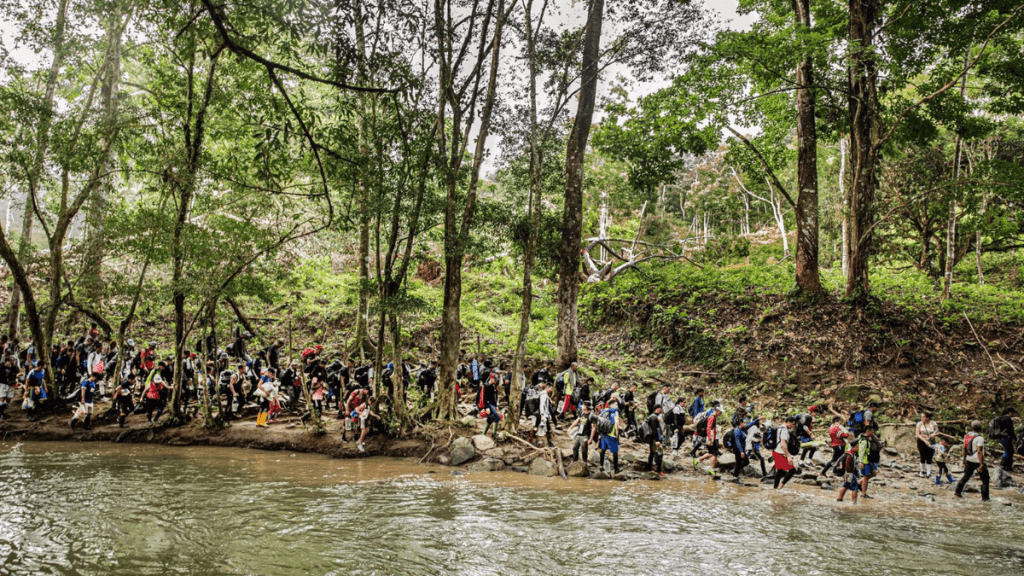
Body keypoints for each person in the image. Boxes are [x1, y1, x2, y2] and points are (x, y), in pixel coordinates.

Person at [955, 420, 990, 501]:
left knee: (966, 476)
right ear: (980, 428)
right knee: (985, 480)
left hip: (969, 459)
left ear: (971, 427)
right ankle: (985, 499)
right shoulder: (980, 438)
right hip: (977, 461)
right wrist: (981, 464)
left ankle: (957, 492)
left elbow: (964, 447)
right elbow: (979, 451)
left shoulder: (967, 436)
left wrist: (963, 459)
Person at [594, 398, 621, 474]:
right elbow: (616, 423)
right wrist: (617, 433)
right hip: (612, 435)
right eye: (616, 404)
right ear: (611, 405)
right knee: (615, 452)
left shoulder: (604, 411)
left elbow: (597, 414)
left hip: (604, 434)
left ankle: (601, 467)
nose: (617, 405)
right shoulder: (615, 412)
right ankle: (616, 469)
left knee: (603, 450)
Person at [695, 403, 722, 475]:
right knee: (714, 454)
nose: (721, 413)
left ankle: (697, 460)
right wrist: (710, 438)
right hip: (710, 438)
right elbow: (708, 428)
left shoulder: (714, 417)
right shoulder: (712, 417)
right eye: (720, 412)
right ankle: (712, 469)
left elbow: (713, 428)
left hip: (713, 437)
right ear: (717, 411)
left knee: (712, 453)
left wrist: (715, 437)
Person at [773, 416, 798, 489]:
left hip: (776, 452)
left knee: (780, 471)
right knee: (792, 470)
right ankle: (781, 485)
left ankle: (774, 489)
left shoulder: (779, 427)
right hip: (781, 453)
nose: (792, 426)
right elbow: (783, 443)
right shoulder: (784, 430)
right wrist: (788, 456)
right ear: (789, 422)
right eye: (792, 424)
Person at [858, 426, 882, 499]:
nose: (873, 433)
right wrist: (861, 462)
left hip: (870, 460)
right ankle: (864, 494)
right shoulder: (864, 440)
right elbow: (862, 451)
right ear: (868, 431)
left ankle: (859, 483)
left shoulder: (871, 438)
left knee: (873, 474)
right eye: (871, 432)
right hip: (866, 461)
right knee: (866, 477)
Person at [992, 407, 1018, 472]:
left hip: (1001, 437)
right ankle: (1003, 465)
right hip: (1007, 437)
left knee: (1009, 451)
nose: (1013, 414)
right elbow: (1010, 430)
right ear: (1009, 412)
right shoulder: (1007, 419)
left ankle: (1007, 466)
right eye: (1012, 412)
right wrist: (1015, 438)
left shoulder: (1001, 418)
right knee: (1008, 451)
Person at [915, 412, 938, 477]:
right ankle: (922, 471)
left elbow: (938, 432)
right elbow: (917, 434)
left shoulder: (933, 423)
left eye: (923, 417)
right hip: (921, 441)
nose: (922, 418)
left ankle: (929, 472)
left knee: (929, 457)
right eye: (921, 417)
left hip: (931, 441)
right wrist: (924, 440)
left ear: (927, 418)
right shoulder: (919, 424)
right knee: (922, 456)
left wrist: (934, 434)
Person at [644, 405, 664, 475]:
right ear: (657, 409)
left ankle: (649, 468)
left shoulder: (653, 416)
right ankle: (659, 470)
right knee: (659, 454)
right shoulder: (654, 418)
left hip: (652, 439)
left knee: (652, 453)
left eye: (661, 409)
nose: (661, 410)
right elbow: (654, 430)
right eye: (660, 409)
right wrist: (657, 441)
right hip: (654, 439)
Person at [731, 415, 748, 483]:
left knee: (746, 462)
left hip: (742, 449)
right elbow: (737, 442)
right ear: (741, 423)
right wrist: (741, 451)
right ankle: (735, 477)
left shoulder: (741, 430)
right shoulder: (737, 431)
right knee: (738, 463)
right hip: (738, 449)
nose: (745, 424)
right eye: (744, 422)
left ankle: (735, 472)